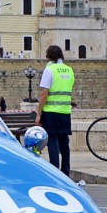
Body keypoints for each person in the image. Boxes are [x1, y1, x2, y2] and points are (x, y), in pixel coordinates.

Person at [35, 44, 74, 176]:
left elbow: (44, 94)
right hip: (65, 112)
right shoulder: (69, 70)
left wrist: (39, 114)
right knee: (64, 143)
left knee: (52, 142)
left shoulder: (49, 70)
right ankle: (66, 172)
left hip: (51, 111)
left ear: (49, 57)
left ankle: (55, 173)